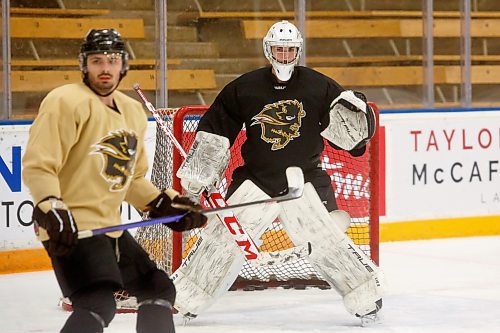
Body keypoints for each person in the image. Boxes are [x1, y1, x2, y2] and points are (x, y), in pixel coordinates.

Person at [173, 20, 383, 322]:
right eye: (279, 49)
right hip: (256, 179)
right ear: (268, 50)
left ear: (297, 51)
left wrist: (357, 136)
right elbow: (218, 127)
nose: (284, 55)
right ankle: (189, 296)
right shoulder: (244, 87)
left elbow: (345, 125)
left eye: (289, 50)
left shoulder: (318, 85)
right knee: (224, 239)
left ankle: (365, 296)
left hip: (304, 179)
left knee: (325, 240)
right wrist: (202, 168)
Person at [22, 28, 207, 333]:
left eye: (112, 60)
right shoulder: (65, 101)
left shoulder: (132, 112)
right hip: (71, 228)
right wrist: (50, 205)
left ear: (124, 66)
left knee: (157, 290)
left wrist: (163, 204)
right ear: (84, 65)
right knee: (97, 303)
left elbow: (132, 180)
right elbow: (38, 165)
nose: (105, 68)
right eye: (97, 61)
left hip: (109, 228)